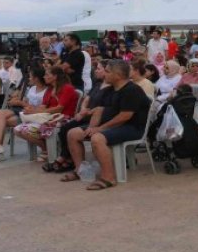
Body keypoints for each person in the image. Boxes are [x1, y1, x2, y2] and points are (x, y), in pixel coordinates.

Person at [62, 60, 152, 190]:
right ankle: (79, 170)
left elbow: (124, 116)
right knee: (73, 133)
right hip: (114, 125)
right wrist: (91, 125)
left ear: (119, 75)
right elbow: (100, 109)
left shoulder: (132, 90)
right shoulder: (111, 89)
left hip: (132, 127)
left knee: (97, 138)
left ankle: (108, 177)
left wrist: (100, 128)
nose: (105, 74)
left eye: (108, 71)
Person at [48, 61, 111, 172]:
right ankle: (68, 158)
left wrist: (86, 112)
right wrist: (82, 109)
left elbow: (104, 108)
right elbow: (87, 99)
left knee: (70, 131)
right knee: (64, 128)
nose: (95, 70)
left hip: (97, 118)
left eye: (99, 69)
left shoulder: (111, 88)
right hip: (86, 115)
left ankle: (66, 159)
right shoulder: (98, 84)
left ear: (107, 71)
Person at [13, 66, 79, 162]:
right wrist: (32, 109)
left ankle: (48, 150)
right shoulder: (50, 89)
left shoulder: (67, 88)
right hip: (49, 116)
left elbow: (59, 108)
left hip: (63, 118)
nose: (44, 77)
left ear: (55, 76)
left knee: (23, 129)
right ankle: (46, 148)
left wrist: (35, 112)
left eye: (47, 75)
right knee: (18, 130)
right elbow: (43, 106)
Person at [0, 67, 48, 163]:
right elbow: (26, 101)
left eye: (30, 77)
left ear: (36, 78)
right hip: (25, 112)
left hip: (36, 114)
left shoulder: (47, 91)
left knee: (4, 121)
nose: (28, 79)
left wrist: (22, 104)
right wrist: (17, 101)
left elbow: (39, 108)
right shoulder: (33, 88)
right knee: (0, 115)